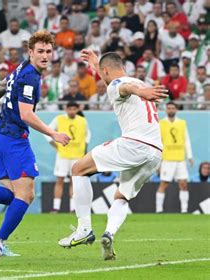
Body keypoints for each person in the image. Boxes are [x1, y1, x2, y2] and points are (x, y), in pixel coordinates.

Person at [0, 31, 70, 256]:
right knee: (26, 196)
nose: (45, 55)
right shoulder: (31, 77)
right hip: (13, 141)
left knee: (12, 194)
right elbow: (26, 114)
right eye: (40, 51)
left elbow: (0, 86)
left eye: (48, 51)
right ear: (30, 52)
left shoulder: (21, 68)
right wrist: (52, 133)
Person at [58, 50, 168, 261]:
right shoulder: (137, 80)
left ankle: (83, 230)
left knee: (78, 169)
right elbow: (122, 84)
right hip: (155, 152)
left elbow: (123, 87)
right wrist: (95, 64)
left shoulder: (122, 85)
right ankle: (109, 234)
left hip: (134, 144)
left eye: (102, 73)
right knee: (121, 196)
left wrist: (138, 91)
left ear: (106, 71)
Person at [45, 102, 90, 213]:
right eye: (70, 109)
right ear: (65, 109)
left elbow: (87, 135)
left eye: (74, 109)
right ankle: (56, 207)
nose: (72, 111)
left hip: (77, 156)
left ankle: (73, 208)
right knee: (59, 180)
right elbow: (47, 132)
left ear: (77, 109)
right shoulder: (59, 119)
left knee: (73, 181)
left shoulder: (82, 120)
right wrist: (55, 146)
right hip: (63, 155)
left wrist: (84, 149)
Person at [156, 102, 193, 213]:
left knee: (183, 184)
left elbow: (186, 140)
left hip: (180, 159)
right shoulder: (161, 123)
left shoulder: (182, 123)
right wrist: (158, 160)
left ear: (176, 110)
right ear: (166, 110)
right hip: (167, 159)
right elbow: (158, 142)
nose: (171, 110)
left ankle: (184, 210)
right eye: (169, 108)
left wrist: (189, 156)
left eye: (173, 108)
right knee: (164, 184)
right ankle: (158, 210)